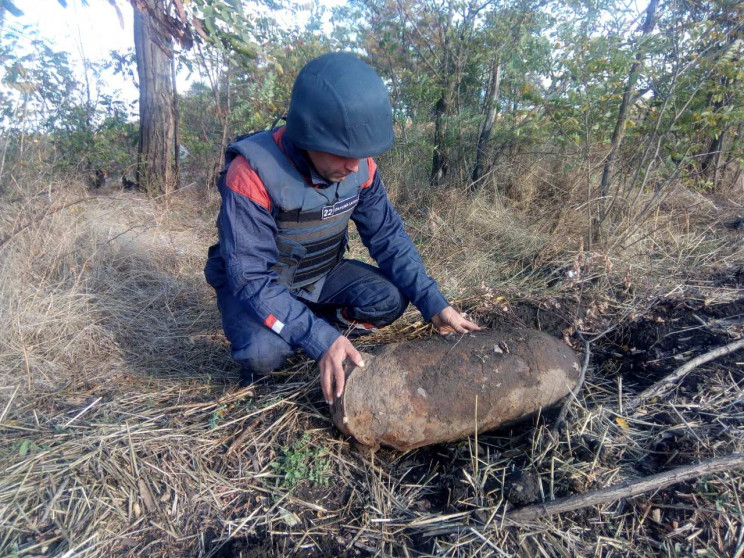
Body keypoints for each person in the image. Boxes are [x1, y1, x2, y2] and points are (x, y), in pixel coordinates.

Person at [204, 52, 480, 406]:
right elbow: (251, 278)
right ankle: (297, 333)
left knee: (389, 301)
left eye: (361, 153)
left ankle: (304, 326)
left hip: (320, 274)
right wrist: (319, 338)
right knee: (264, 354)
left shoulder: (361, 167)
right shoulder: (251, 173)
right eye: (340, 153)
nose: (353, 166)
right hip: (265, 284)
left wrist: (435, 303)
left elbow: (387, 237)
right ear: (307, 134)